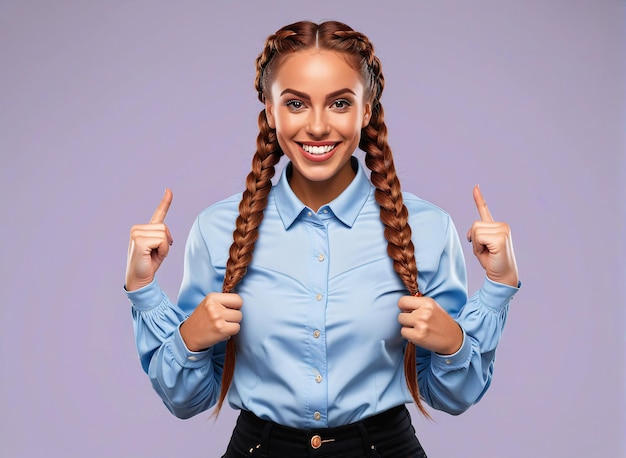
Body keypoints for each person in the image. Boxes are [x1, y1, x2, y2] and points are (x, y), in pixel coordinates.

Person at [125, 20, 519, 458]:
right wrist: (151, 298)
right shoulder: (217, 229)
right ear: (270, 112)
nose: (316, 126)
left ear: (365, 111)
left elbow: (454, 398)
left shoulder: (426, 228)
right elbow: (185, 401)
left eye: (339, 103)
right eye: (295, 103)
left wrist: (488, 301)